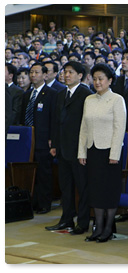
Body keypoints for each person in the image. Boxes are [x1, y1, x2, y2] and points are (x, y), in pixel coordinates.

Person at [78, 63, 126, 243]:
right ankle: (98, 227)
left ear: (110, 80)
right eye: (95, 79)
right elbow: (83, 127)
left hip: (109, 152)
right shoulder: (89, 100)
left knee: (109, 191)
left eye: (101, 79)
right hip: (92, 151)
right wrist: (81, 151)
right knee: (96, 190)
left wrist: (115, 153)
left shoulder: (116, 99)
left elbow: (119, 128)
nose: (97, 82)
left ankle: (108, 228)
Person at [45, 61, 93, 234]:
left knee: (82, 186)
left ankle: (83, 222)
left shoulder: (86, 94)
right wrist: (54, 144)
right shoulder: (61, 94)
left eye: (70, 72)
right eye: (65, 72)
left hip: (79, 149)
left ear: (80, 76)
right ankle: (66, 219)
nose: (66, 75)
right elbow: (57, 121)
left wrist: (83, 148)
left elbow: (87, 125)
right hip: (63, 148)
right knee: (66, 186)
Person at [20, 63, 57, 214]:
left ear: (45, 75)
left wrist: (52, 139)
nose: (33, 75)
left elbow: (54, 118)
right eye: (31, 72)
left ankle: (44, 203)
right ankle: (32, 202)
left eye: (37, 72)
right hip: (28, 141)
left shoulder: (52, 93)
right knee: (30, 172)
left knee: (44, 173)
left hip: (44, 140)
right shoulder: (27, 94)